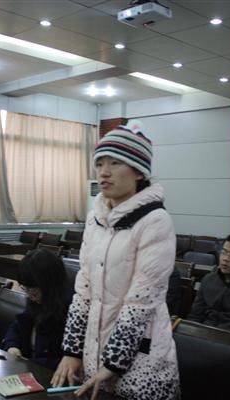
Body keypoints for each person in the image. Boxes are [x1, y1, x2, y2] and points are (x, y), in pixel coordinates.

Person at [51, 120, 180, 400]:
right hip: (93, 351)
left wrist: (113, 364)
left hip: (141, 360)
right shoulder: (95, 219)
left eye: (115, 163)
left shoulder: (155, 221)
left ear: (139, 172)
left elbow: (141, 302)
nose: (104, 172)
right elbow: (83, 290)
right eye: (99, 164)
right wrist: (72, 350)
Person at [2, 248, 70, 369]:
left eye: (33, 291)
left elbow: (65, 360)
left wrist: (32, 363)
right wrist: (12, 346)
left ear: (50, 285)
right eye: (25, 289)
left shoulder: (69, 312)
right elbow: (16, 327)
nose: (29, 295)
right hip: (29, 367)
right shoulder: (36, 302)